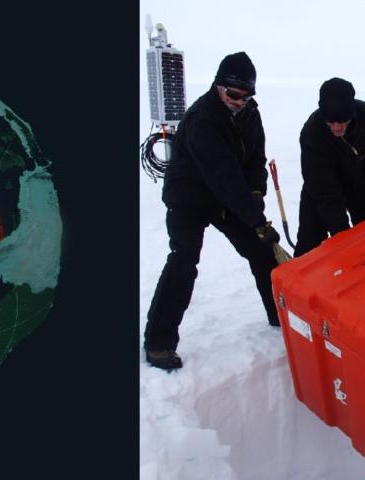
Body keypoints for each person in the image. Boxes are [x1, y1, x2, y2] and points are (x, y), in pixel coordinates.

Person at [143, 52, 281, 371]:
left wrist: (257, 195)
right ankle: (159, 343)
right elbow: (225, 176)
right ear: (219, 86)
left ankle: (280, 316)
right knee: (184, 260)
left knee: (262, 252)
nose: (240, 101)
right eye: (234, 94)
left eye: (246, 96)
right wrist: (256, 219)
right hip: (189, 197)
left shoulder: (249, 113)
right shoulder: (202, 119)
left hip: (224, 199)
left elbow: (254, 161)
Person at [293, 78, 365, 257]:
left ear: (352, 112)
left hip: (361, 185)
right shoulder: (312, 132)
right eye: (330, 120)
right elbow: (323, 190)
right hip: (321, 189)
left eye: (343, 120)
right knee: (310, 245)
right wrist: (342, 233)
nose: (337, 127)